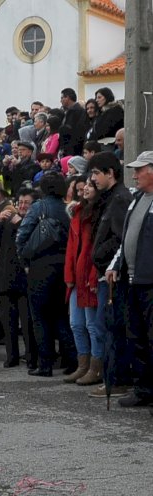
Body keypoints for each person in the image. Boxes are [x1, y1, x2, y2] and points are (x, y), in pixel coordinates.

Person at [106, 151, 153, 408]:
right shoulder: (137, 199)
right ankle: (144, 389)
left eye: (139, 170)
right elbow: (126, 241)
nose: (134, 175)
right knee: (137, 337)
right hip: (134, 281)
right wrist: (116, 265)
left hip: (150, 282)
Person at [17, 172, 76, 377]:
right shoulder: (68, 209)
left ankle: (45, 364)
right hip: (64, 266)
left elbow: (22, 234)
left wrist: (25, 259)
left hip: (40, 266)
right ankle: (72, 361)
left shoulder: (38, 207)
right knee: (61, 315)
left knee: (40, 317)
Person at [88, 151, 134, 399]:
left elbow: (119, 239)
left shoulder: (118, 199)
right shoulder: (108, 198)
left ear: (110, 173)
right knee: (105, 326)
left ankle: (116, 380)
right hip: (106, 274)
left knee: (110, 327)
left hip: (112, 276)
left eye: (96, 173)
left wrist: (101, 258)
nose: (92, 178)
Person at [64, 180, 104, 385]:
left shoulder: (97, 214)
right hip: (77, 277)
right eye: (82, 187)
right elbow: (72, 248)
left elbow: (96, 249)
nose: (85, 189)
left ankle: (96, 368)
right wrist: (69, 276)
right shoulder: (78, 213)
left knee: (92, 325)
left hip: (90, 276)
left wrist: (92, 274)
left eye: (89, 185)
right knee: (76, 324)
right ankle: (83, 365)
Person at [0, 188, 36, 368]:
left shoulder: (34, 222)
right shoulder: (8, 221)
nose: (23, 206)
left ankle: (31, 356)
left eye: (27, 203)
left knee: (26, 322)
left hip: (24, 280)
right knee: (7, 320)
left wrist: (19, 223)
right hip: (5, 278)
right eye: (21, 202)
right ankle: (12, 355)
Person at [59, 88, 88, 157]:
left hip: (73, 148)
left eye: (62, 98)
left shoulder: (76, 111)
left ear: (67, 97)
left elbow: (75, 130)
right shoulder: (70, 111)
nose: (60, 101)